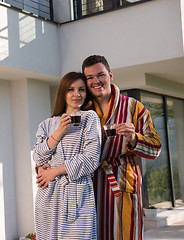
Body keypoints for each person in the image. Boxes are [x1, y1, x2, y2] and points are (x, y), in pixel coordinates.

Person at [81, 55, 162, 240]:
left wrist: (134, 138)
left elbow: (156, 148)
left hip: (122, 182)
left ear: (110, 75)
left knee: (126, 234)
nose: (96, 81)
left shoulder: (134, 108)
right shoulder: (82, 110)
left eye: (100, 75)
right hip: (89, 186)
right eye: (89, 77)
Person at [33, 72, 101, 240]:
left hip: (77, 194)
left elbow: (91, 158)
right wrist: (59, 131)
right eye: (71, 89)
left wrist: (54, 171)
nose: (77, 94)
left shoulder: (89, 118)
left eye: (82, 89)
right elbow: (37, 157)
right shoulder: (47, 124)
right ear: (63, 92)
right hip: (48, 195)